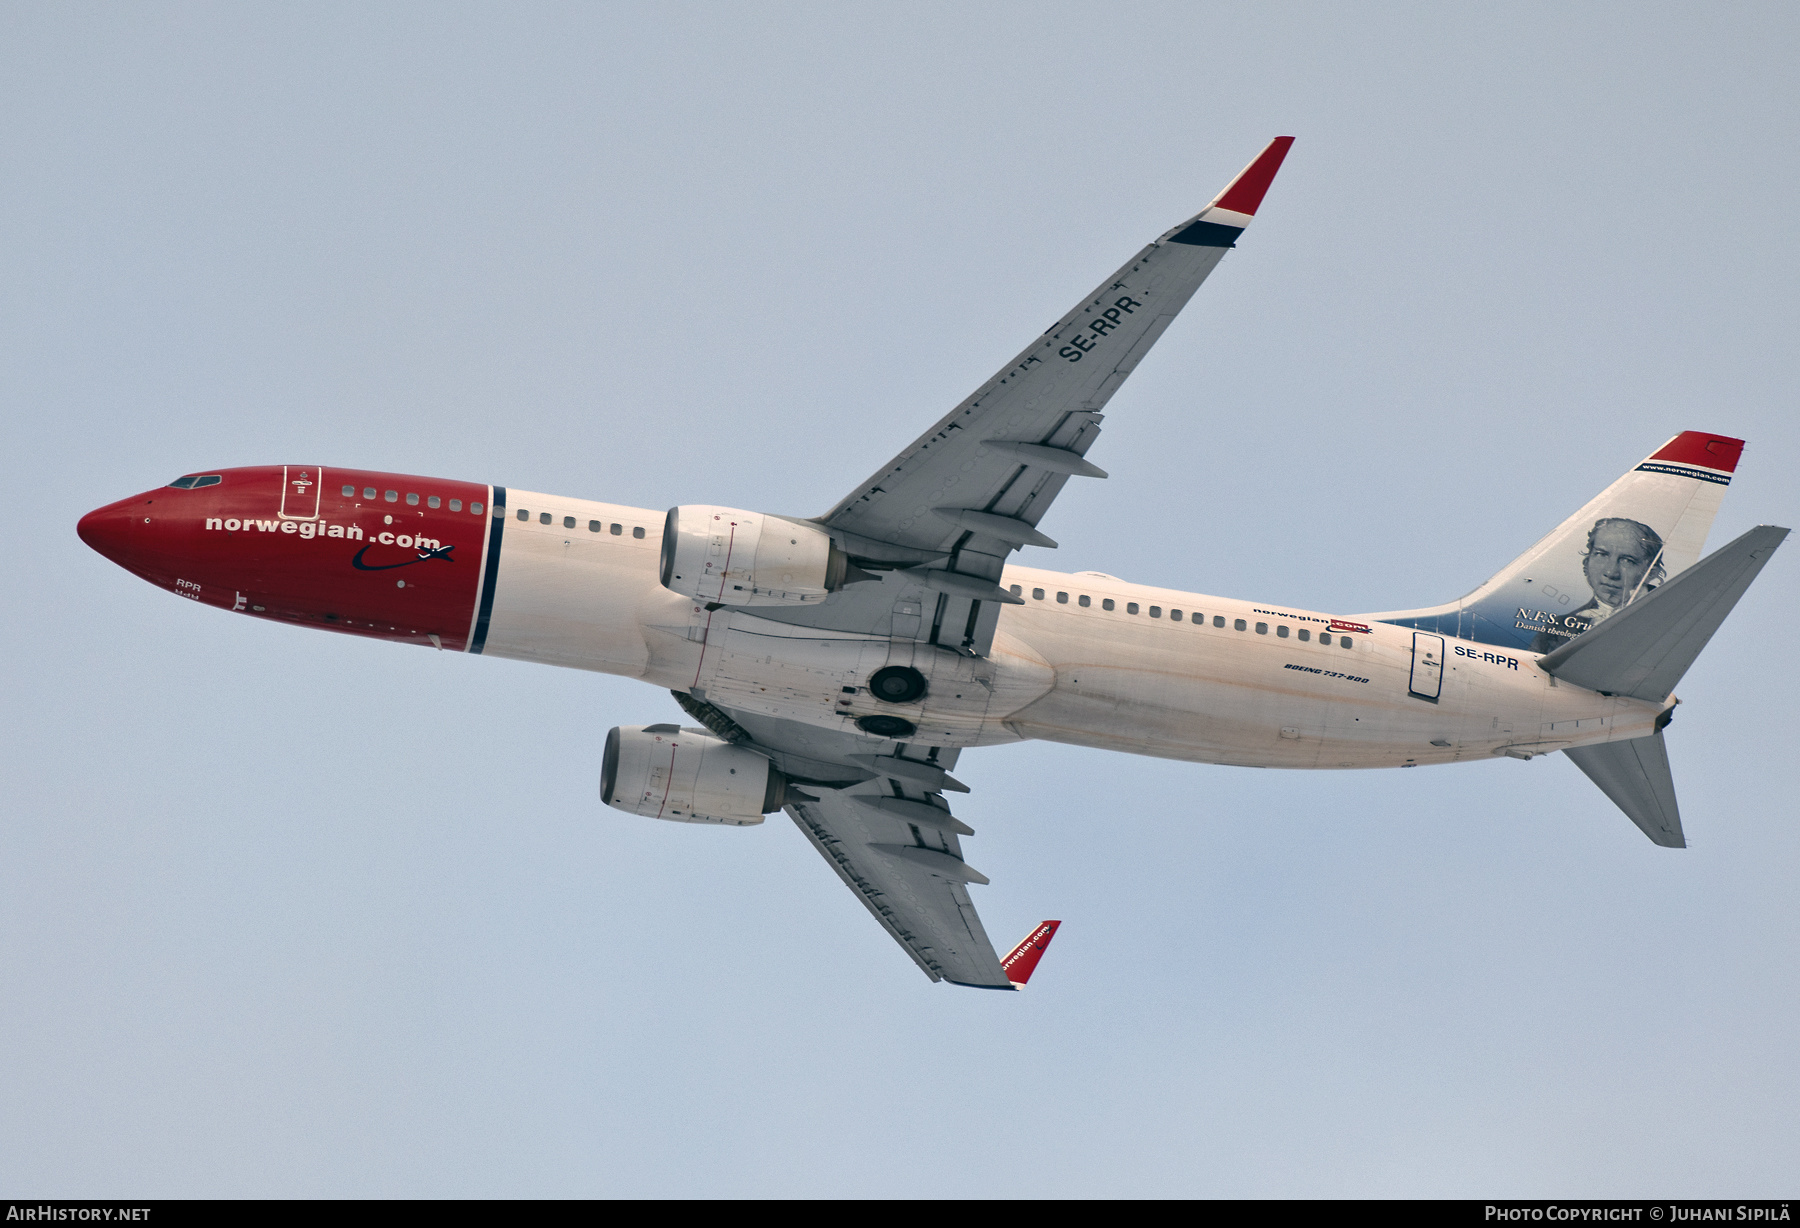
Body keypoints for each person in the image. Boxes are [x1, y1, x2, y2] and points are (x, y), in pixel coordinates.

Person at [1529, 517, 1667, 653]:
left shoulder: (1664, 623)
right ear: (1586, 562)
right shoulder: (1555, 630)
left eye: (1627, 560)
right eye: (1601, 554)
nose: (1611, 572)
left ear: (1651, 572)